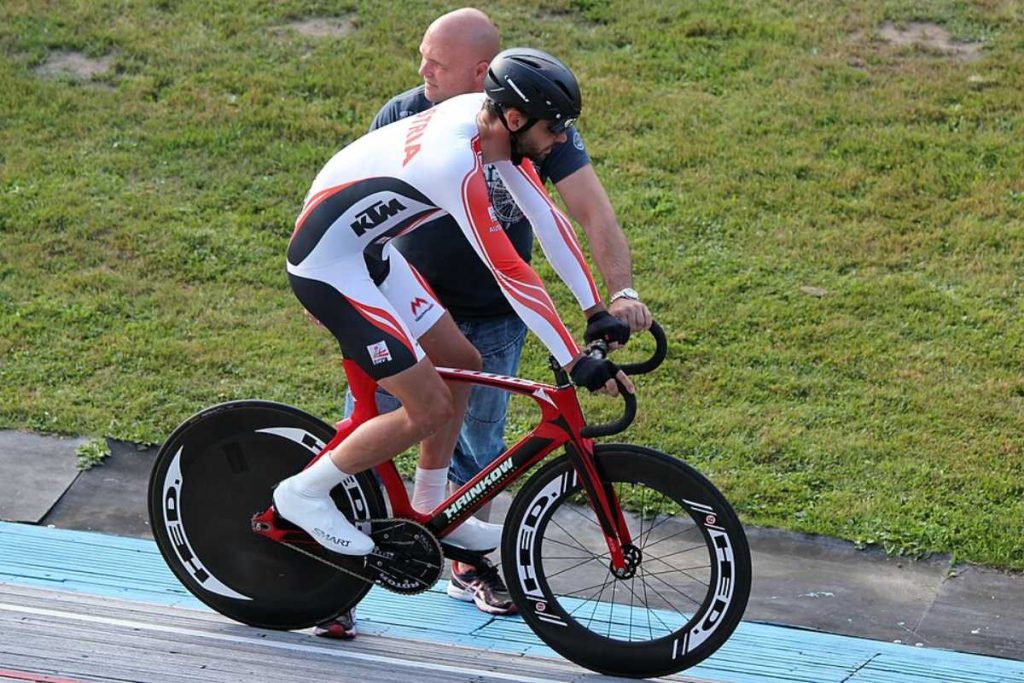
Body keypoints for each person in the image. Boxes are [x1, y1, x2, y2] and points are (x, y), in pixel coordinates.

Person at [316, 9, 652, 637]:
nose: (422, 72)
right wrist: (575, 349)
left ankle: (466, 560)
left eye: (435, 64)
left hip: (491, 316)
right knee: (376, 430)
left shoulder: (531, 126)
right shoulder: (412, 116)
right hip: (398, 298)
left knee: (481, 450)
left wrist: (612, 296)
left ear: (481, 76)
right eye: (423, 58)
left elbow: (583, 215)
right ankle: (333, 579)